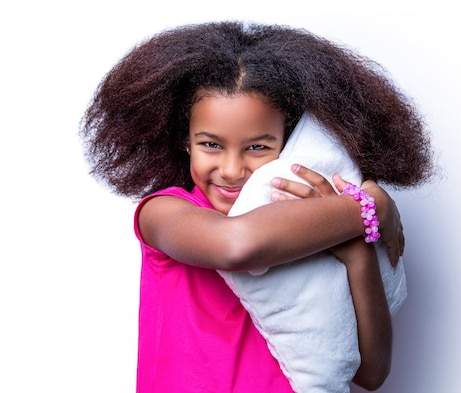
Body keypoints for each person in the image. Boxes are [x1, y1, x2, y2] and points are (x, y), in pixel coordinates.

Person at [80, 21, 433, 393]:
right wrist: (371, 206)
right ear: (185, 140)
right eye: (211, 145)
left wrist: (357, 255)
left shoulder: (320, 229)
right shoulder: (165, 212)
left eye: (258, 147)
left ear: (288, 141)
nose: (232, 170)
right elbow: (237, 245)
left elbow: (371, 373)